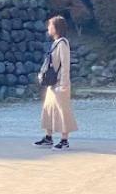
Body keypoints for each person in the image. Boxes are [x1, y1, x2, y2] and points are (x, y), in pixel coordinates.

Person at [35, 15, 78, 150]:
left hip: (60, 83)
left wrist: (64, 84)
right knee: (49, 108)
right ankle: (48, 137)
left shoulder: (63, 43)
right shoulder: (56, 42)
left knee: (62, 110)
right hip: (52, 83)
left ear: (56, 28)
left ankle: (64, 140)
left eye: (50, 26)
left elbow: (65, 65)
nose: (48, 28)